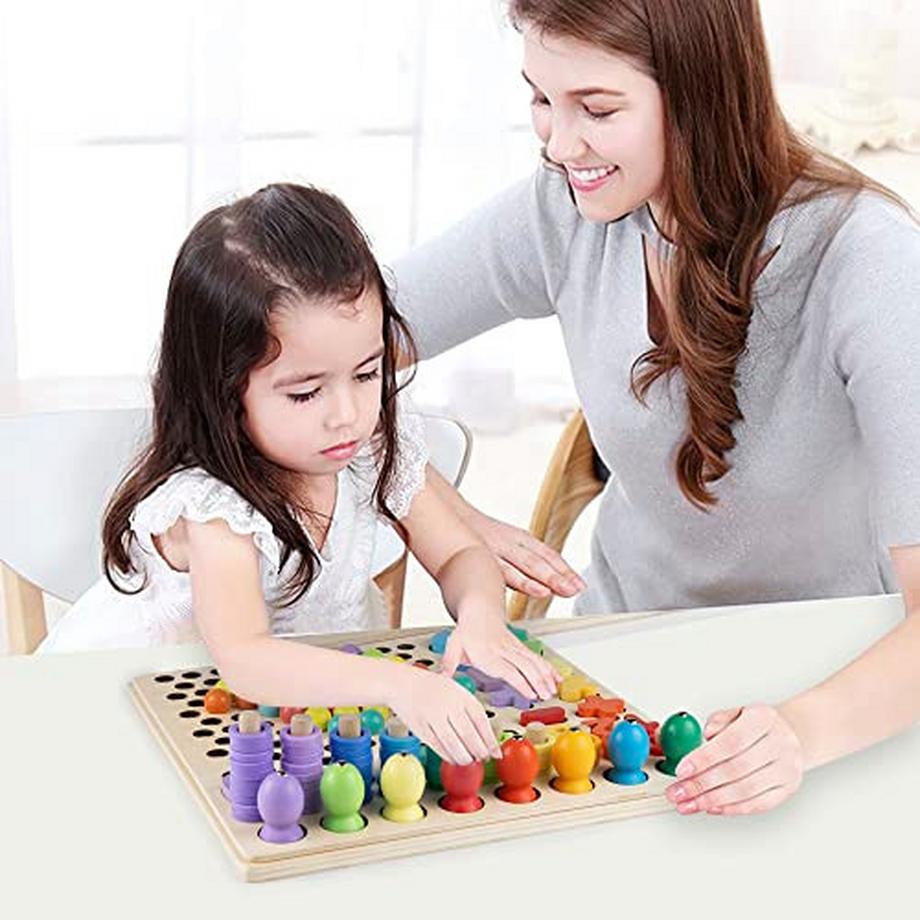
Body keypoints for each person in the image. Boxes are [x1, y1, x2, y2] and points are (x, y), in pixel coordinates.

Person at [391, 0, 920, 812]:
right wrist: (437, 505)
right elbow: (316, 348)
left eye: (596, 109)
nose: (558, 145)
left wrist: (801, 732)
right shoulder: (564, 210)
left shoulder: (868, 257)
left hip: (839, 692)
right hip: (621, 675)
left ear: (702, 92)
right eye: (540, 98)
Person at [39, 182, 559, 764]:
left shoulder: (370, 447)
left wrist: (482, 618)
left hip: (263, 721)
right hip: (129, 718)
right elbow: (246, 660)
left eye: (367, 375)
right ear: (223, 393)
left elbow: (460, 554)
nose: (348, 415)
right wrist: (402, 684)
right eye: (307, 392)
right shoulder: (212, 507)